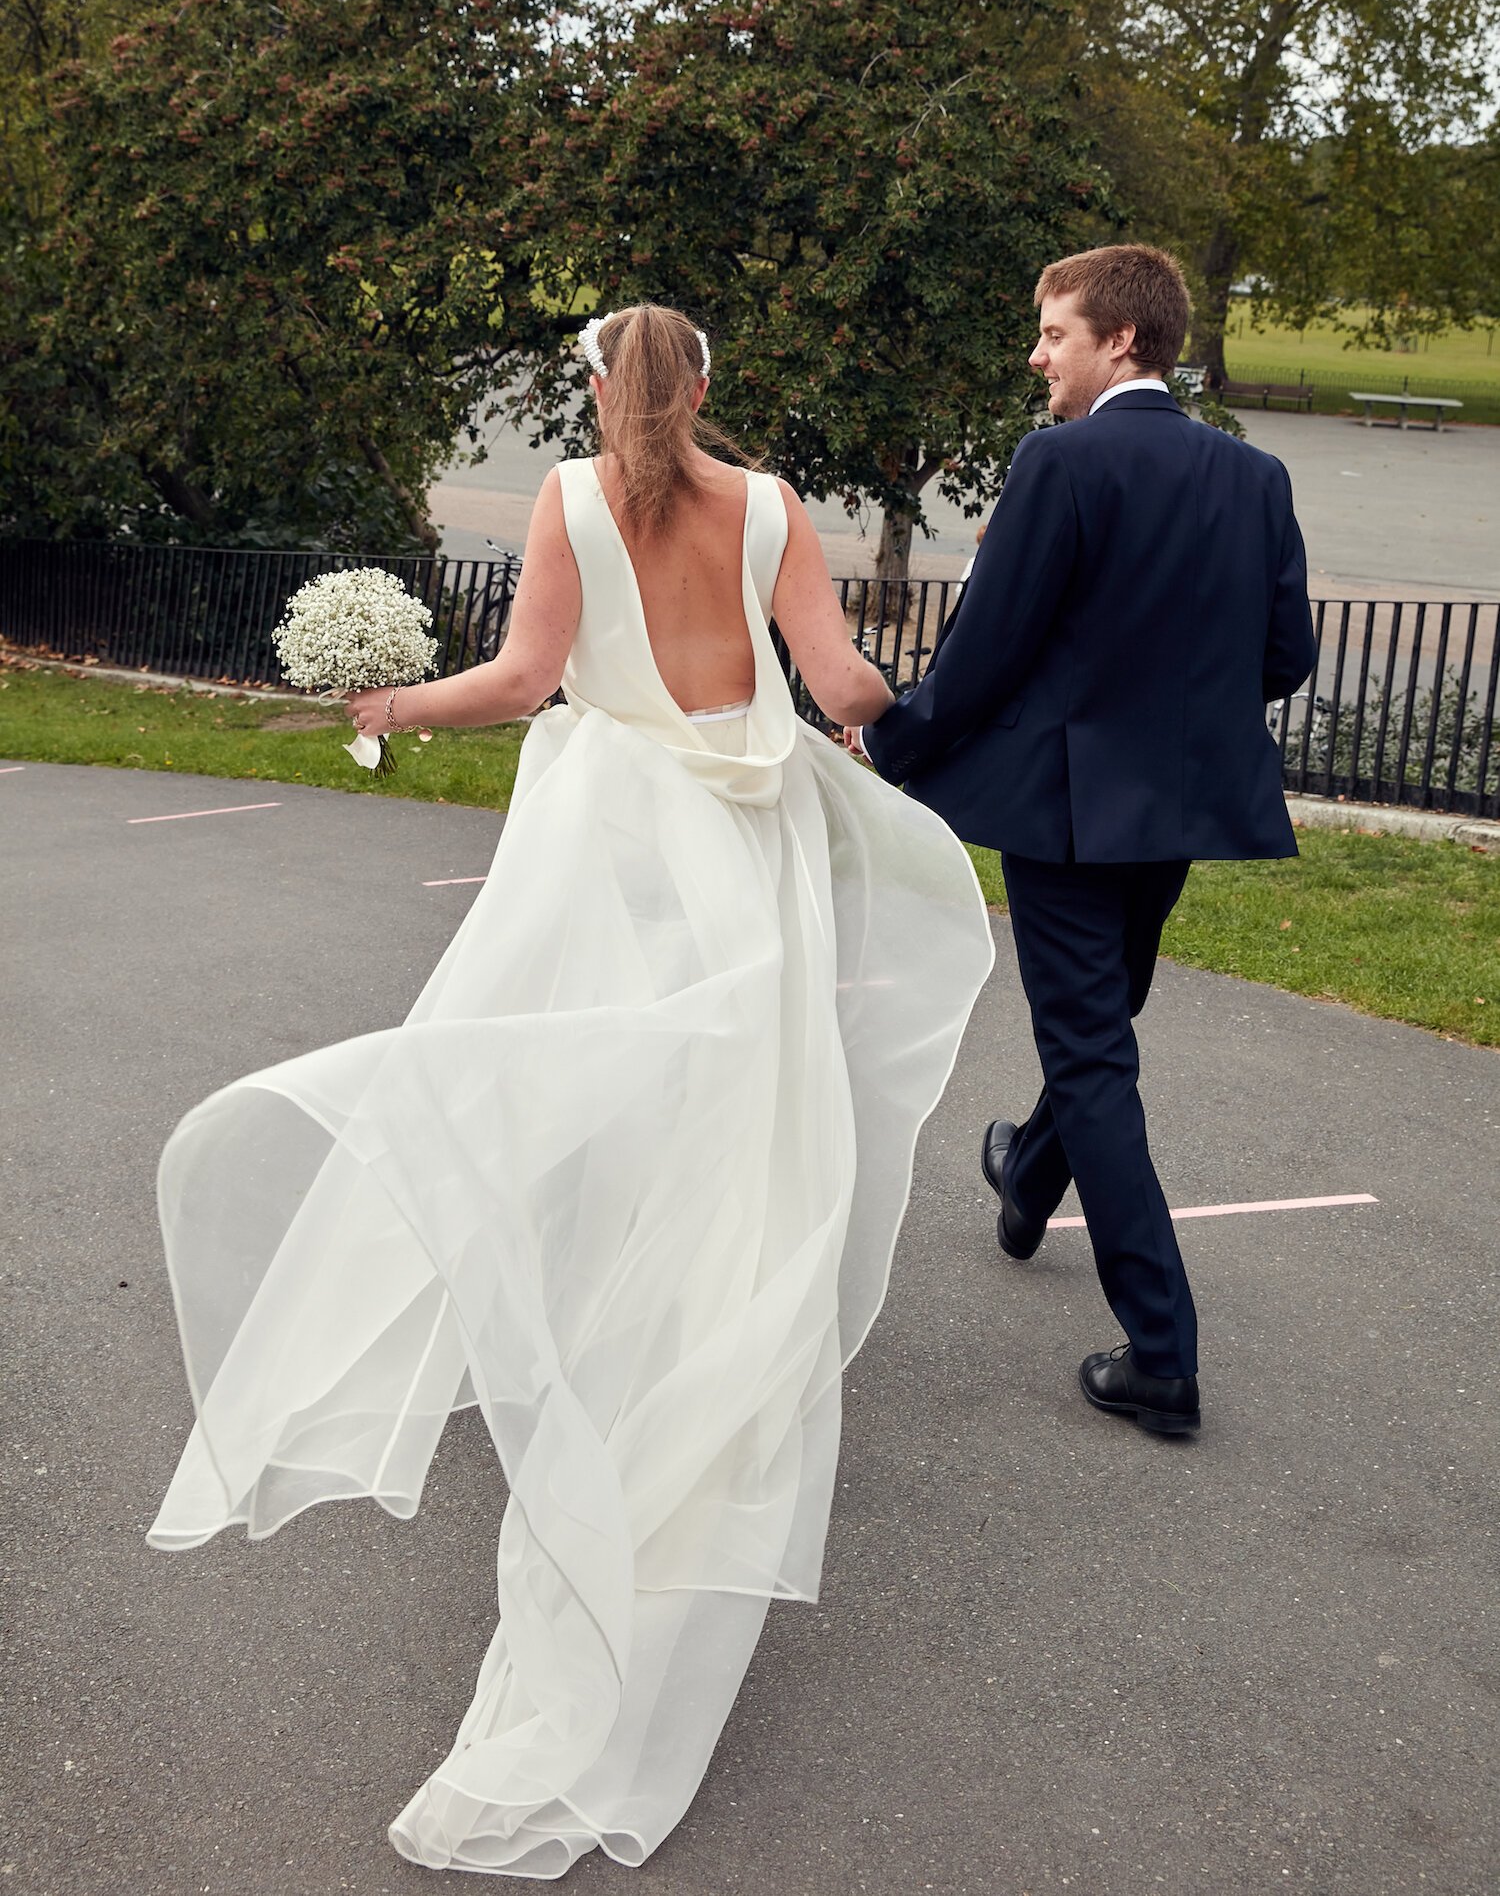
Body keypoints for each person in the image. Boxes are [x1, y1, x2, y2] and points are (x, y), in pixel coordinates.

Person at [147, 303, 993, 1876]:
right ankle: (684, 1390)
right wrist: (924, 706)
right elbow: (840, 684)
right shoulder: (779, 507)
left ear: (598, 386)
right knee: (737, 1147)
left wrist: (391, 707)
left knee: (568, 1090)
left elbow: (530, 678)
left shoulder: (563, 496)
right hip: (745, 862)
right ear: (713, 389)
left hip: (601, 859)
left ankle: (593, 1346)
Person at [855, 245, 1316, 1439]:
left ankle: (1162, 1355)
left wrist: (895, 745)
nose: (1037, 353)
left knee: (1095, 1052)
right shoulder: (1252, 476)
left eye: (1053, 332)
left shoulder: (1058, 461)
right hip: (1174, 809)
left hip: (1063, 812)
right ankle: (1027, 1169)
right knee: (1103, 1024)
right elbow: (1285, 659)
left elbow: (987, 650)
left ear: (1122, 340)